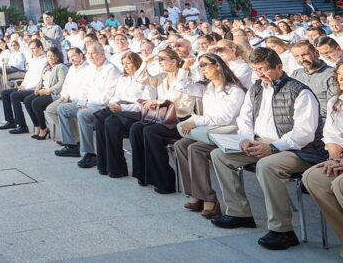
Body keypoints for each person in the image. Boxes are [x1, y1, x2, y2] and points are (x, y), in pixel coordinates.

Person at [209, 47, 327, 251]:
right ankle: (239, 213)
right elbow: (245, 119)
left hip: (299, 150)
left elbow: (304, 133)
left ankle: (283, 231)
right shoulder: (256, 88)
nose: (260, 74)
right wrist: (245, 140)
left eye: (264, 69)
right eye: (256, 69)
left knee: (266, 166)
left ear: (279, 67)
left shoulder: (300, 91)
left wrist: (273, 147)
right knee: (219, 155)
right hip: (261, 142)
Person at [303, 59, 343, 262]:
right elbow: (332, 135)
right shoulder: (336, 102)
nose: (341, 79)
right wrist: (334, 158)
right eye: (339, 75)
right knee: (314, 177)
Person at [174, 53, 246, 218]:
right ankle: (196, 193)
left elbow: (225, 119)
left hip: (228, 134)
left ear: (218, 66)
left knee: (195, 149)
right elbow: (182, 87)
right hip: (208, 133)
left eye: (205, 64)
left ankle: (209, 199)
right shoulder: (207, 88)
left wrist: (196, 121)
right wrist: (185, 68)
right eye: (200, 66)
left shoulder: (234, 90)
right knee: (180, 145)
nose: (202, 69)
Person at [130, 47, 198, 193]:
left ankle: (165, 180)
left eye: (162, 59)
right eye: (158, 59)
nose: (159, 62)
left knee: (150, 132)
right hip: (163, 118)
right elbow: (141, 78)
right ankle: (144, 174)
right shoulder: (162, 77)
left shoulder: (186, 77)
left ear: (174, 62)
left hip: (181, 119)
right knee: (136, 128)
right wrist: (145, 62)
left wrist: (159, 102)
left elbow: (182, 104)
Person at [55, 42, 120, 161]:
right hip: (87, 104)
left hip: (102, 106)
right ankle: (71, 145)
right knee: (62, 108)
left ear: (102, 53)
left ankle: (90, 154)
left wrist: (86, 105)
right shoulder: (91, 68)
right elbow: (84, 89)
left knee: (82, 114)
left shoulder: (111, 69)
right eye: (89, 53)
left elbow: (107, 96)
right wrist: (81, 103)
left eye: (93, 53)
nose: (91, 56)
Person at [94, 52, 154, 178]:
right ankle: (104, 164)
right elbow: (117, 95)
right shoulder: (123, 78)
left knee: (111, 122)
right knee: (99, 119)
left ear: (136, 63)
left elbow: (144, 104)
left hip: (136, 113)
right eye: (123, 63)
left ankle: (118, 168)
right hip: (120, 108)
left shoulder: (146, 79)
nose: (125, 66)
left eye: (128, 63)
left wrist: (122, 107)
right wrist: (113, 104)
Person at [22, 48, 68, 140]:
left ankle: (44, 129)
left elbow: (61, 83)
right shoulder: (46, 66)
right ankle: (37, 125)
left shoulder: (61, 67)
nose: (50, 58)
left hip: (54, 94)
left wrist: (48, 90)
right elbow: (41, 80)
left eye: (52, 56)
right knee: (27, 101)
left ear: (58, 57)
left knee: (36, 103)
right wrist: (37, 88)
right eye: (48, 56)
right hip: (43, 91)